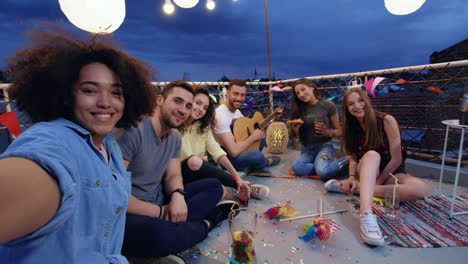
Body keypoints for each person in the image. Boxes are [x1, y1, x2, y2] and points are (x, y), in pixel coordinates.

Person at [0, 26, 156, 263]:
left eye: (116, 93)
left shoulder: (109, 145)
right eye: (90, 90)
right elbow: (42, 164)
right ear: (66, 95)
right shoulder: (53, 140)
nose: (105, 102)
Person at [116, 81, 238, 260]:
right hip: (132, 212)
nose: (183, 110)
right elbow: (117, 196)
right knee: (158, 234)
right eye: (177, 101)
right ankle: (208, 222)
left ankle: (177, 229)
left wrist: (178, 195)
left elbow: (173, 175)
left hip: (159, 200)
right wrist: (161, 212)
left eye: (188, 105)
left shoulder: (173, 136)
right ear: (159, 100)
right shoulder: (133, 132)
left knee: (214, 186)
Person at [324, 87, 429, 246]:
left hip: (391, 169)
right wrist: (352, 177)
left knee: (420, 189)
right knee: (372, 154)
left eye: (360, 100)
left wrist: (377, 182)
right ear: (347, 109)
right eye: (351, 104)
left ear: (367, 100)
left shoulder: (386, 120)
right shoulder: (350, 128)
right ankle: (366, 214)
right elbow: (353, 158)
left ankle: (359, 189)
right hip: (367, 167)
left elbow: (396, 159)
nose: (357, 106)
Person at [179, 87, 271, 201]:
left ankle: (240, 186)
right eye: (198, 103)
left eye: (205, 108)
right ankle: (245, 185)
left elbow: (217, 152)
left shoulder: (202, 127)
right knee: (195, 162)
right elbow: (232, 151)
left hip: (197, 172)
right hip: (178, 176)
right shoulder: (175, 125)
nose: (201, 109)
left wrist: (237, 177)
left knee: (219, 186)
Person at [213, 78, 281, 173]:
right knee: (257, 155)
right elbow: (233, 151)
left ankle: (254, 165)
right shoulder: (220, 116)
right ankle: (266, 162)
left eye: (242, 95)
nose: (239, 98)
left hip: (239, 149)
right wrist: (253, 137)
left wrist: (272, 118)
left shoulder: (236, 111)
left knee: (261, 132)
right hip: (227, 158)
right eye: (235, 94)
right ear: (228, 92)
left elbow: (244, 132)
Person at [289, 78, 348, 180]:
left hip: (324, 146)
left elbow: (339, 131)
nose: (301, 94)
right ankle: (323, 167)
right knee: (297, 167)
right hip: (307, 149)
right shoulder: (299, 108)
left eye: (303, 89)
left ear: (312, 87)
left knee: (323, 172)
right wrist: (296, 130)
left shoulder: (328, 105)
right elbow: (299, 135)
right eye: (298, 93)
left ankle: (348, 160)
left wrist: (327, 132)